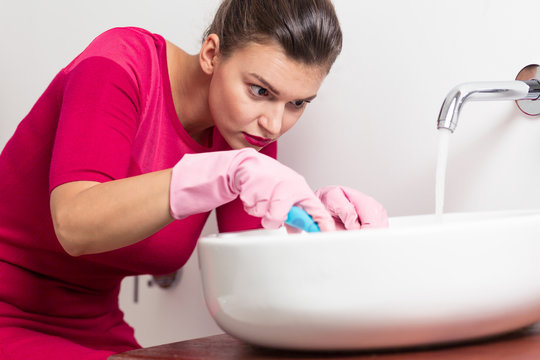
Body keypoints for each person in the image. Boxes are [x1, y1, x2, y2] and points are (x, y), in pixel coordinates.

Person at [0, 0, 388, 358]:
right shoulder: (119, 65)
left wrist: (317, 227)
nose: (274, 123)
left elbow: (253, 271)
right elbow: (74, 225)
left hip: (96, 327)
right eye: (260, 90)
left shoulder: (245, 130)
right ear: (211, 54)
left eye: (297, 103)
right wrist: (214, 174)